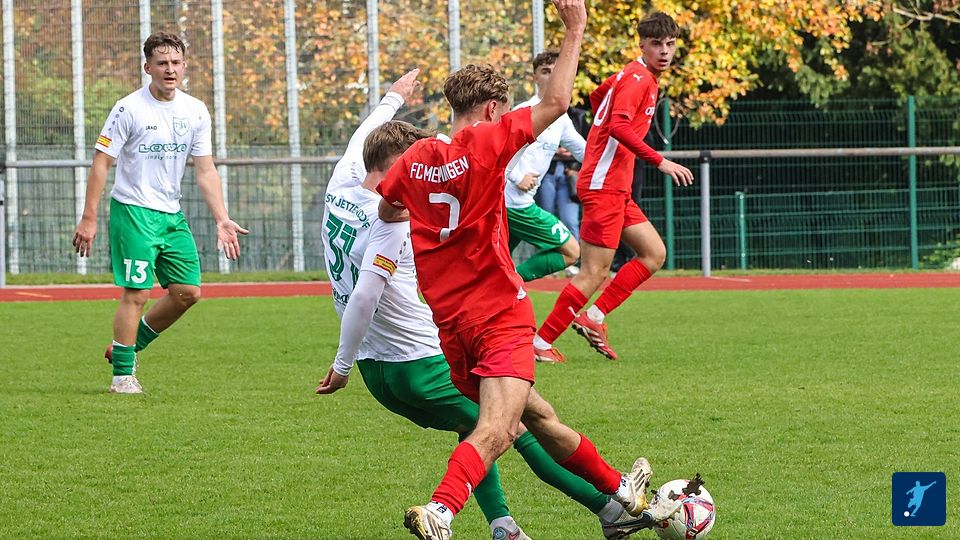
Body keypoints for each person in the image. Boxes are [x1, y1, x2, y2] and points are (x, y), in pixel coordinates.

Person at [375, 2, 681, 538]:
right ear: (493, 108)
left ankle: (620, 496)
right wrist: (575, 28)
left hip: (451, 327)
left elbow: (387, 207)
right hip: (498, 314)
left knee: (536, 417)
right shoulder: (487, 141)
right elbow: (558, 101)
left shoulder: (414, 158)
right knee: (497, 430)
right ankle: (440, 511)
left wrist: (426, 217)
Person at [315, 71, 646, 540]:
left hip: (378, 371)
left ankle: (544, 514)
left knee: (512, 420)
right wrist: (340, 364)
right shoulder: (393, 224)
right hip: (420, 357)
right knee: (507, 430)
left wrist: (392, 99)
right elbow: (368, 290)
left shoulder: (341, 185)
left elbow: (361, 138)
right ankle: (603, 510)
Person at [72, 32, 248, 394]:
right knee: (137, 293)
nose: (170, 69)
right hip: (133, 212)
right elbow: (102, 161)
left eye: (176, 63)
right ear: (147, 67)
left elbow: (205, 170)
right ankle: (122, 377)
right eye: (162, 63)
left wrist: (222, 218)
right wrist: (89, 217)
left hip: (171, 214)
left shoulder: (195, 110)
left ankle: (127, 346)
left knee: (188, 292)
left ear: (184, 66)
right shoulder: (128, 108)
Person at [533, 12, 695, 363]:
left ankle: (594, 316)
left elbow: (597, 97)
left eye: (670, 44)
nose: (664, 51)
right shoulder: (639, 78)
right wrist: (660, 161)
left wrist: (601, 138)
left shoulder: (631, 74)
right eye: (656, 44)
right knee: (594, 272)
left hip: (615, 186)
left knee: (654, 254)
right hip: (604, 185)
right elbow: (619, 126)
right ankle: (541, 343)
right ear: (642, 45)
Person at [504, 50, 585, 284]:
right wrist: (517, 176)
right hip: (513, 203)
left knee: (491, 265)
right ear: (535, 78)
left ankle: (499, 285)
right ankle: (510, 283)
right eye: (546, 71)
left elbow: (585, 152)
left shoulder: (562, 119)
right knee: (571, 251)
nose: (552, 77)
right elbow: (499, 152)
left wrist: (616, 155)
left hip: (513, 204)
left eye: (556, 71)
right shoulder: (523, 112)